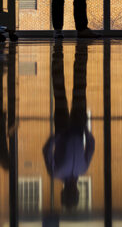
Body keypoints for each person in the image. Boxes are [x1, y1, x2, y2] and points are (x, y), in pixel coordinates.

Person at [42, 42, 94, 208]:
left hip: (64, 129)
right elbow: (91, 147)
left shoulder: (56, 173)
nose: (73, 191)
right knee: (78, 89)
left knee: (61, 92)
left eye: (70, 193)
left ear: (65, 192)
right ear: (76, 192)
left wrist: (58, 136)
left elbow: (46, 151)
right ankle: (78, 58)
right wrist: (85, 130)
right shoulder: (82, 170)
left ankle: (57, 56)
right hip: (77, 129)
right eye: (74, 193)